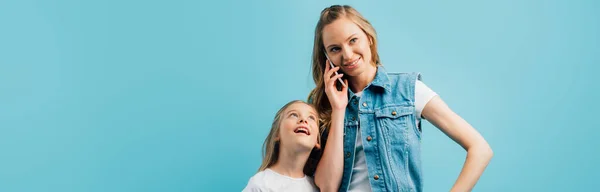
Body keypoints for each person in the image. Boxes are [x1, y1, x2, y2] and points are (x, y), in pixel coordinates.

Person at [309, 5, 494, 192]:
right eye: (335, 49)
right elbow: (327, 186)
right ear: (327, 57)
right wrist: (339, 110)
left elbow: (480, 149)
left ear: (369, 38)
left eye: (353, 40)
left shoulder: (408, 90)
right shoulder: (324, 108)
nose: (347, 55)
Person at [242, 100, 323, 192]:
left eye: (311, 118)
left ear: (317, 140)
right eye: (294, 115)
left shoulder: (317, 187)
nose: (303, 120)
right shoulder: (260, 183)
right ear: (277, 133)